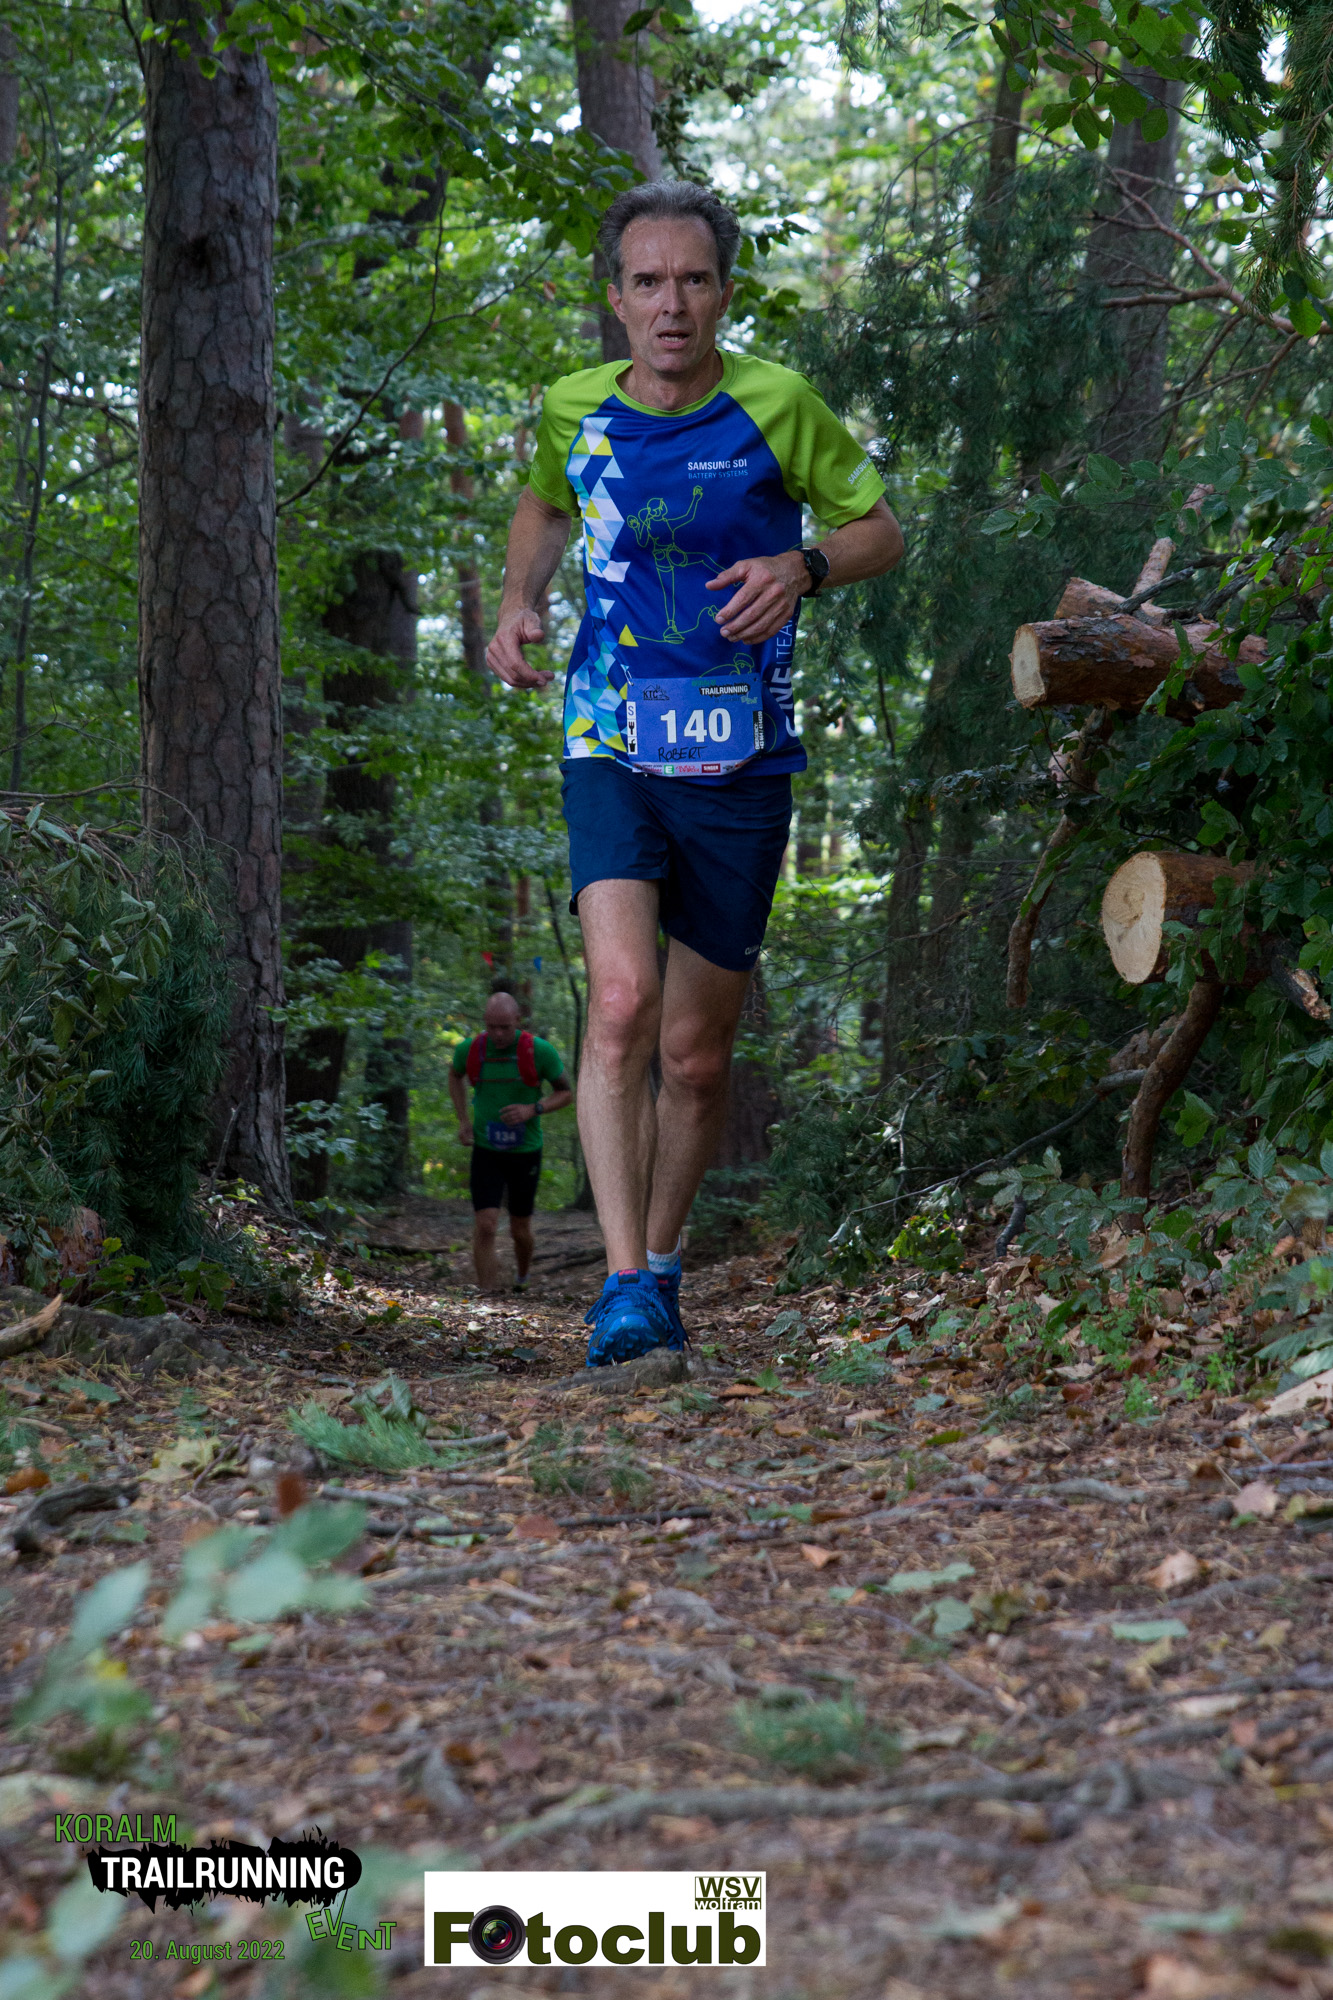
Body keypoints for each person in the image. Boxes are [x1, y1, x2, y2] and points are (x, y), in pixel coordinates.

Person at [485, 179, 903, 1365]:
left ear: (723, 292)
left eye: (693, 280)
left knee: (695, 1054)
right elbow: (544, 502)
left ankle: (662, 1266)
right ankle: (622, 1289)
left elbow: (881, 529)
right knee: (620, 1003)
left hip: (741, 758)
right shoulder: (574, 405)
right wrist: (518, 599)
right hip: (608, 738)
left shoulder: (776, 404)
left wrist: (802, 566)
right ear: (616, 298)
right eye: (647, 282)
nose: (670, 304)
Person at [448, 991, 573, 1292]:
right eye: (491, 1027)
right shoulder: (471, 1050)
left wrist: (533, 1109)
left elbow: (566, 1092)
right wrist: (463, 1120)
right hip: (486, 1150)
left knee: (520, 1230)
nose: (498, 1034)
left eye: (505, 1027)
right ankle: (487, 1294)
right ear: (484, 1022)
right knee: (486, 1224)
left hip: (525, 1151)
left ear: (518, 1020)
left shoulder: (538, 1051)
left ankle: (522, 1277)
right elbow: (455, 1076)